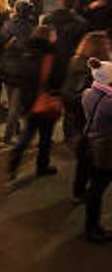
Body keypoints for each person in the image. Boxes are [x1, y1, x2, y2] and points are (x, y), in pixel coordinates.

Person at [9, 24, 65, 181]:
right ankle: (42, 166)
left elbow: (18, 73)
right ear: (49, 37)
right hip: (46, 99)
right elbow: (57, 77)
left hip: (28, 98)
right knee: (45, 136)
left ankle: (14, 161)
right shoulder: (52, 54)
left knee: (28, 132)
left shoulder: (26, 51)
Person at [81, 59, 112, 242]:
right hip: (105, 151)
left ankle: (92, 225)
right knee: (98, 188)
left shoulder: (88, 93)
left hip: (92, 145)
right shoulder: (109, 103)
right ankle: (92, 228)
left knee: (95, 187)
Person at [0, 0, 37, 144]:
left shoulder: (7, 25)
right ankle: (9, 135)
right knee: (15, 105)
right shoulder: (30, 29)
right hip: (21, 71)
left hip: (7, 68)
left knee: (12, 101)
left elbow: (1, 42)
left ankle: (15, 129)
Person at [46, 0, 90, 69]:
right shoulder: (81, 23)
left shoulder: (49, 18)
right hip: (69, 57)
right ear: (74, 3)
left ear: (61, 2)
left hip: (51, 55)